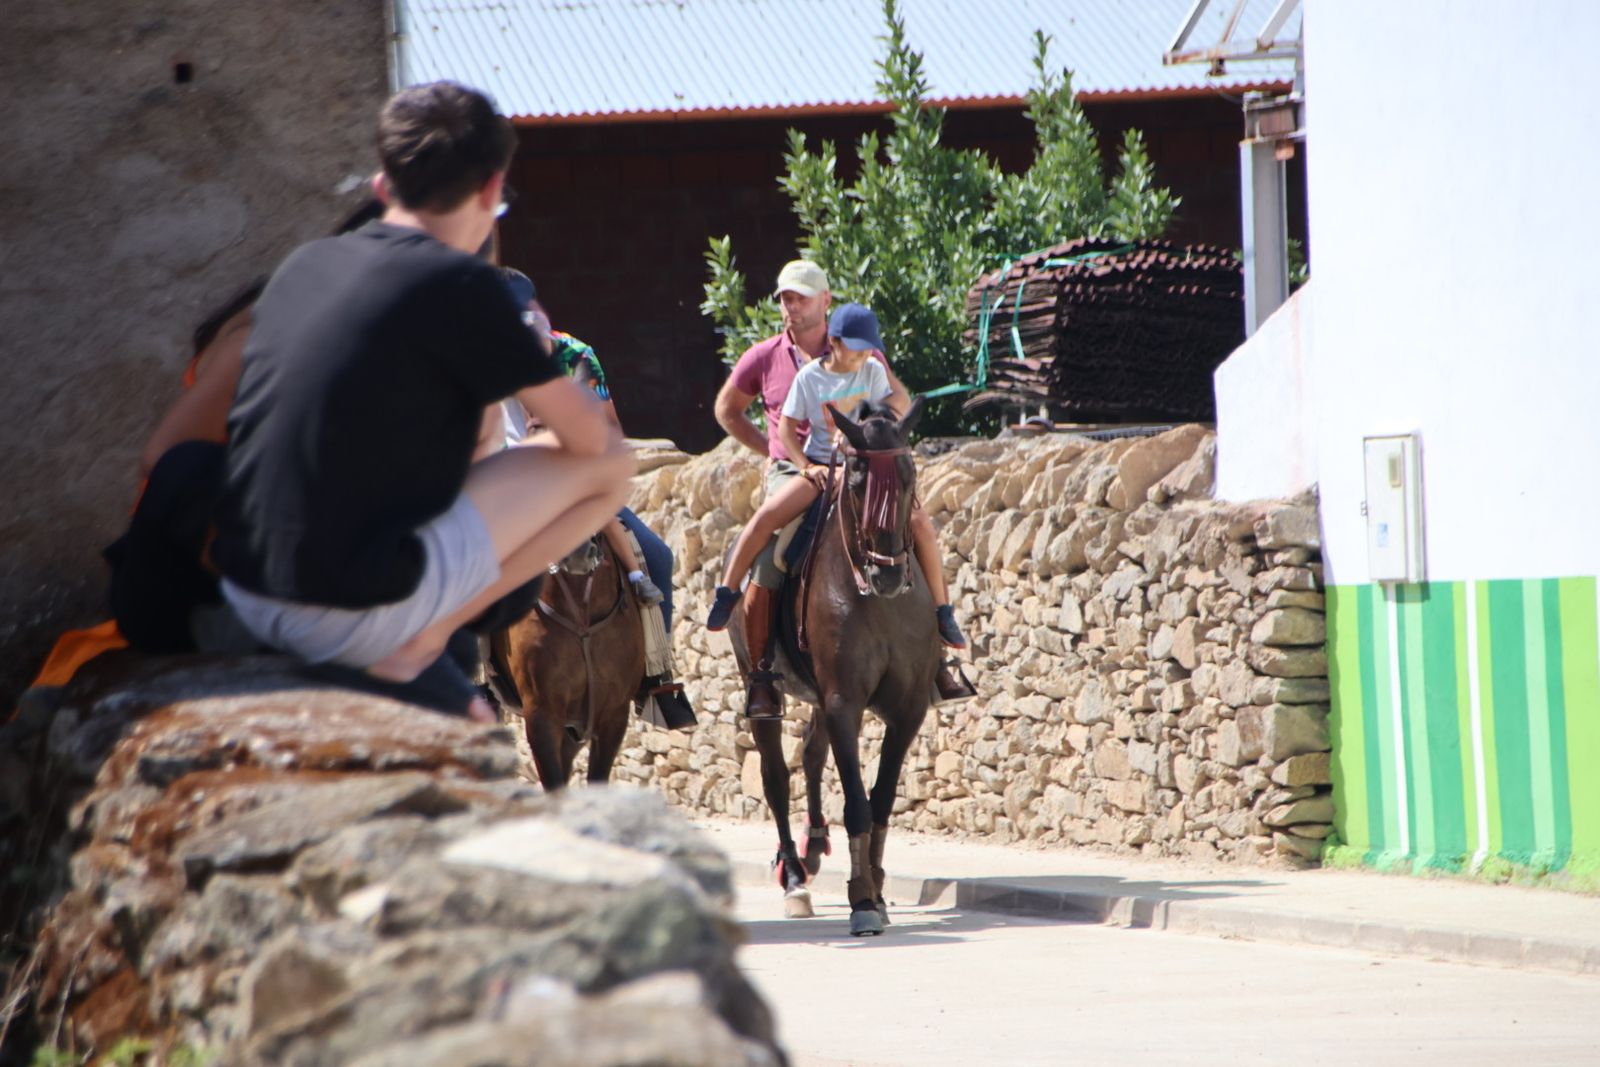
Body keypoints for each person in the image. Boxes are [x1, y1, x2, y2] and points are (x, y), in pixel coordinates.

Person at [210, 81, 633, 721]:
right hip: (341, 616)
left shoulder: (305, 264)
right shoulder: (462, 283)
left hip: (243, 589)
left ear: (383, 185)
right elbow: (587, 438)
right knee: (610, 464)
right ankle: (422, 641)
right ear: (491, 192)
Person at [712, 269, 974, 716]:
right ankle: (754, 658)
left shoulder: (867, 356)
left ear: (825, 302)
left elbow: (895, 405)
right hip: (804, 467)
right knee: (773, 544)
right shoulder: (777, 362)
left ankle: (936, 649)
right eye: (786, 299)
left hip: (864, 467)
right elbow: (736, 414)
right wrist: (786, 457)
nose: (791, 307)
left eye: (801, 298)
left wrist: (873, 438)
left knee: (910, 526)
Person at [500, 268, 696, 730]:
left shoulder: (577, 355)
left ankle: (656, 676)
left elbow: (610, 428)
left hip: (576, 476)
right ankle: (476, 677)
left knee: (659, 557)